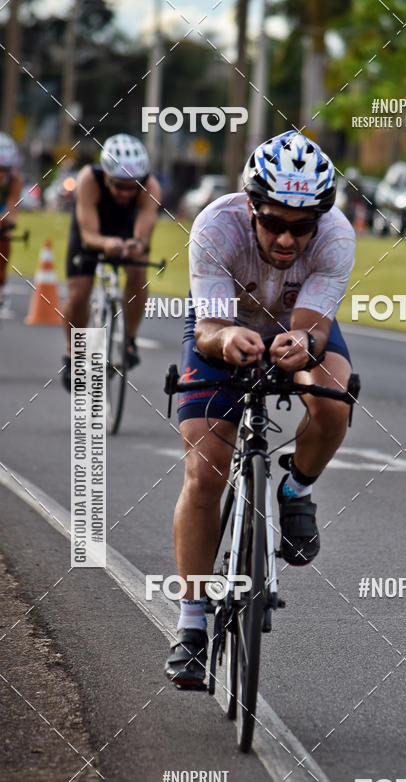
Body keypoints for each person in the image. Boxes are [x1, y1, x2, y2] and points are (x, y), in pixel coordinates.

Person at [165, 130, 356, 689]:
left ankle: (296, 488)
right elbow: (208, 328)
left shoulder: (336, 236)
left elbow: (314, 330)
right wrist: (226, 343)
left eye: (303, 226)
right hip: (221, 328)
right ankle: (192, 624)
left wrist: (302, 348)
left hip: (295, 329)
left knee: (333, 398)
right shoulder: (216, 225)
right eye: (274, 222)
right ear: (252, 206)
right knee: (204, 472)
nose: (288, 238)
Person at [62, 134, 161, 389]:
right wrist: (107, 244)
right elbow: (88, 234)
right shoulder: (88, 179)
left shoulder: (151, 187)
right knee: (79, 292)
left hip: (126, 229)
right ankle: (73, 349)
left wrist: (136, 244)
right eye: (119, 185)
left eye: (133, 186)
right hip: (92, 230)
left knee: (139, 269)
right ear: (106, 176)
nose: (127, 193)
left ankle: (129, 339)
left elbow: (144, 231)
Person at [0, 133, 23, 316]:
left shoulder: (14, 180)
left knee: (5, 233)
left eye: (5, 169)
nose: (1, 174)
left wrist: (8, 220)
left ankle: (1, 281)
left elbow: (12, 208)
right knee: (80, 291)